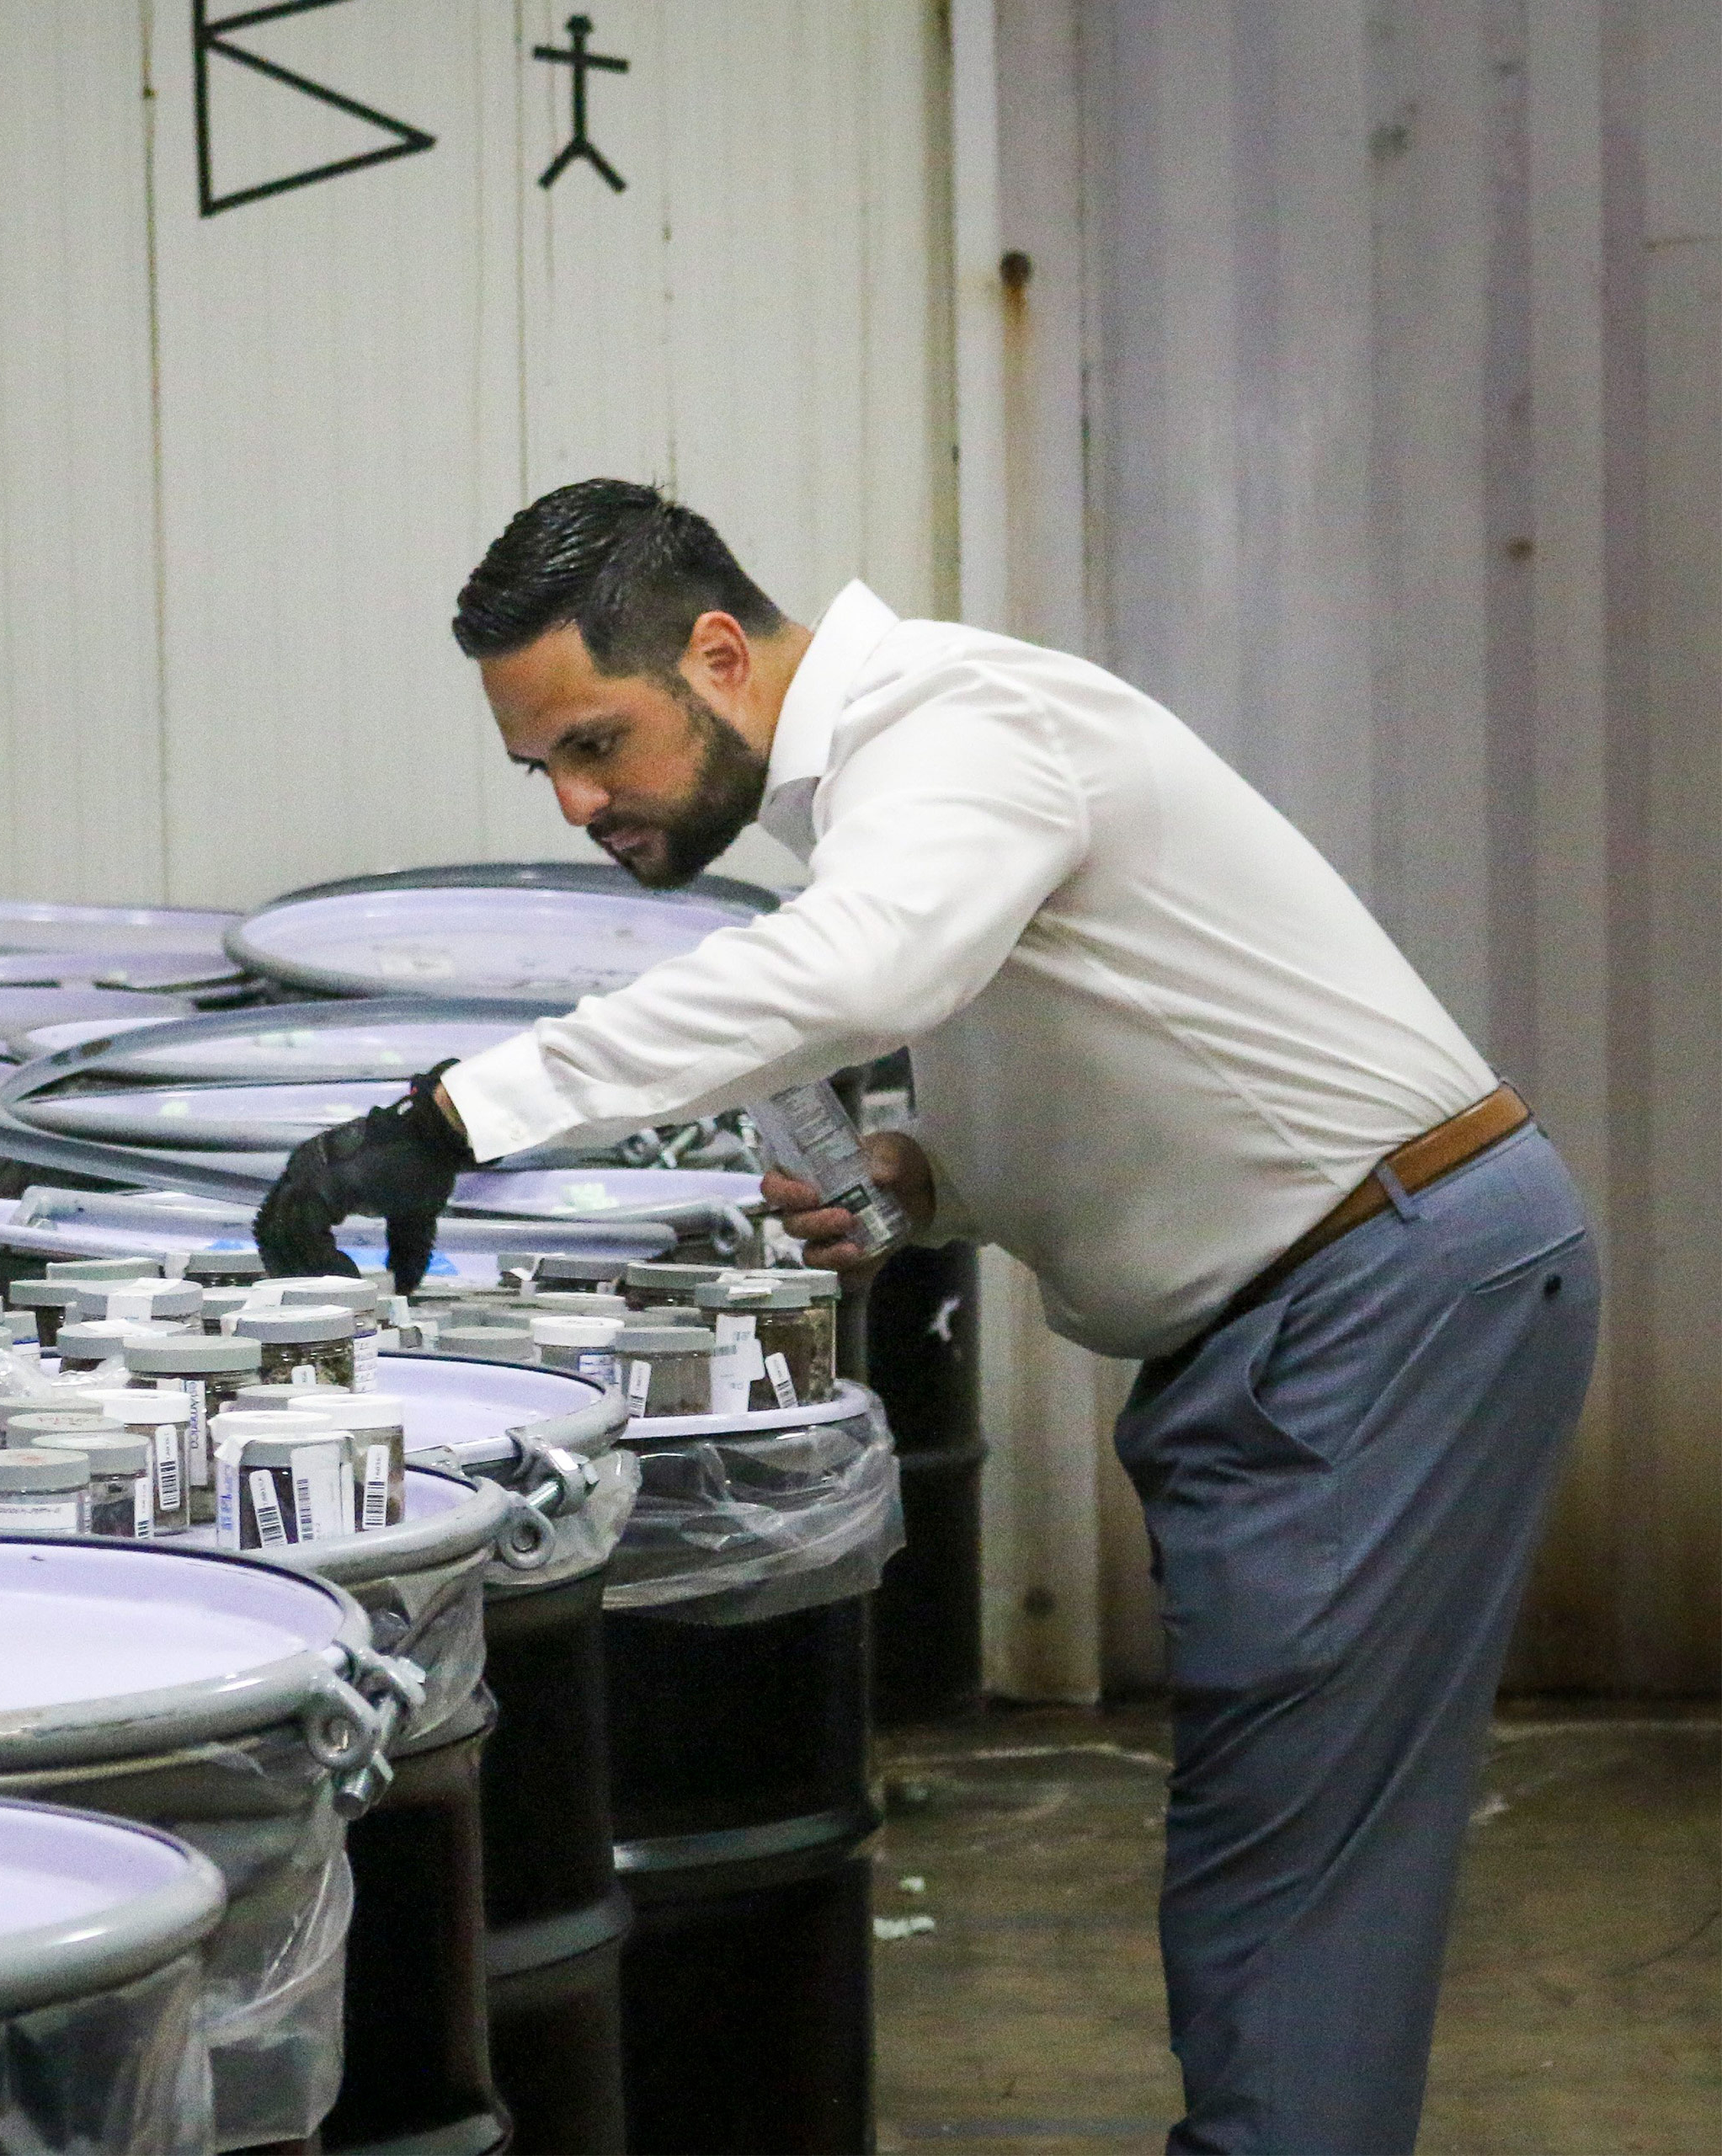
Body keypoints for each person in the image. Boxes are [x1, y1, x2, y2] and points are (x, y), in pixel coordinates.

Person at [255, 478, 1598, 2155]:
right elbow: (1085, 1037)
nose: (581, 799)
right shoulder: (909, 779)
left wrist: (460, 1111)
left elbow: (869, 969)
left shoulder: (951, 720)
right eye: (546, 770)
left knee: (1293, 1893)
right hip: (1329, 1299)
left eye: (595, 742)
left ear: (720, 652)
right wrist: (918, 1174)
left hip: (1376, 1295)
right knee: (1279, 1878)